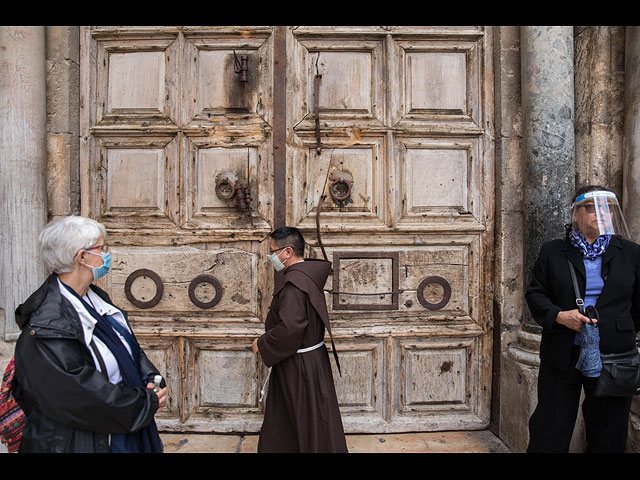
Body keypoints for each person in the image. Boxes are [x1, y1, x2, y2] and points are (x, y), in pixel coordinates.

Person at [12, 216, 166, 453]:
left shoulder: (95, 300)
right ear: (82, 257)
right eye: (102, 248)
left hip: (122, 433)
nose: (107, 254)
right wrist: (145, 403)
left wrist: (150, 378)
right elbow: (81, 397)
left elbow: (127, 349)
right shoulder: (48, 326)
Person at [525, 185, 640, 453]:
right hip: (564, 350)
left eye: (608, 208)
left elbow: (637, 304)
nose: (601, 213)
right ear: (575, 213)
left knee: (609, 431)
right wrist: (560, 316)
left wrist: (615, 328)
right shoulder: (553, 251)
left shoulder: (631, 253)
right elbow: (536, 294)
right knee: (550, 427)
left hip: (613, 355)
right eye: (591, 207)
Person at [252, 226, 348, 453]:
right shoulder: (305, 277)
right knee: (306, 419)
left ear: (287, 252)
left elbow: (290, 328)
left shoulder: (294, 284)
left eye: (273, 251)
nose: (271, 257)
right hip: (309, 361)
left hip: (300, 366)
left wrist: (262, 344)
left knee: (303, 419)